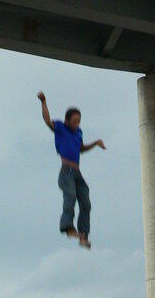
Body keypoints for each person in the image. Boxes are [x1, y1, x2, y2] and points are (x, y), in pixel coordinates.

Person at [37, 91, 106, 250]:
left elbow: (81, 149)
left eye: (79, 121)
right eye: (74, 121)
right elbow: (47, 120)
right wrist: (43, 101)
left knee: (86, 203)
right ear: (67, 120)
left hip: (77, 173)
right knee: (71, 196)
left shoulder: (78, 132)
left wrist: (95, 143)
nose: (77, 124)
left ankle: (83, 235)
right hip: (66, 172)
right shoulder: (60, 127)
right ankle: (68, 228)